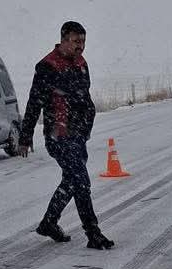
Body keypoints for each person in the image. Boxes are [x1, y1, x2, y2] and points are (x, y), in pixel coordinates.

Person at [18, 20, 114, 249]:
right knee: (81, 181)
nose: (80, 46)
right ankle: (93, 233)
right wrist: (25, 136)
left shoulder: (81, 64)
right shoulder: (47, 67)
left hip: (78, 134)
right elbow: (34, 103)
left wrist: (86, 126)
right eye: (75, 42)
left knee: (71, 181)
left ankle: (49, 223)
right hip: (58, 135)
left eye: (83, 42)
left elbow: (84, 98)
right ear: (63, 40)